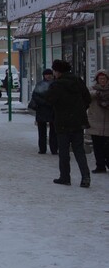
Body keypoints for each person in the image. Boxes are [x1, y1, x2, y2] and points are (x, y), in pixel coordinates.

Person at [46, 59, 91, 187]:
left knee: (64, 151)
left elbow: (49, 100)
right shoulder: (78, 81)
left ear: (58, 71)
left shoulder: (57, 85)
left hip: (62, 121)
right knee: (79, 150)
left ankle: (65, 177)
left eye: (54, 71)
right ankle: (85, 177)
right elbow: (87, 98)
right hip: (78, 121)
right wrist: (80, 109)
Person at [28, 68, 58, 155]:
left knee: (54, 131)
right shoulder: (40, 84)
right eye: (47, 74)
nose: (49, 76)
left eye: (50, 74)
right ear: (44, 75)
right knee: (42, 132)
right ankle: (42, 149)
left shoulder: (56, 84)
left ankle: (54, 149)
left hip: (52, 110)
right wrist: (44, 102)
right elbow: (35, 96)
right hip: (42, 110)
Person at [87, 69, 109, 174]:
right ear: (97, 80)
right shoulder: (93, 90)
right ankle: (100, 165)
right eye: (100, 79)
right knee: (97, 146)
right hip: (95, 123)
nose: (102, 81)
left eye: (104, 79)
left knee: (107, 147)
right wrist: (97, 94)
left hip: (107, 124)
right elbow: (87, 96)